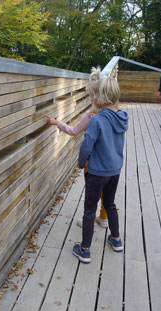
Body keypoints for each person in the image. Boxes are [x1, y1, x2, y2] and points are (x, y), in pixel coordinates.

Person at [72, 72, 128, 263]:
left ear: (103, 96)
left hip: (96, 173)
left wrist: (81, 163)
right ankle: (116, 238)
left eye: (94, 95)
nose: (92, 98)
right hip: (115, 170)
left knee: (90, 209)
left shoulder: (96, 120)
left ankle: (85, 250)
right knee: (110, 204)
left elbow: (86, 146)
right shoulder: (122, 118)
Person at [45, 68, 109, 229]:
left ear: (97, 97)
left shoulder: (90, 116)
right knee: (106, 191)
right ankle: (104, 217)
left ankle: (89, 220)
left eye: (91, 96)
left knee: (92, 192)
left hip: (93, 162)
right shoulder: (113, 115)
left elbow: (73, 131)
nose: (90, 98)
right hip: (110, 161)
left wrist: (56, 122)